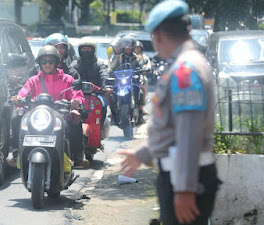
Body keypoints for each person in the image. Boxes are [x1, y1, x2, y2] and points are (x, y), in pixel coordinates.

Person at [118, 1, 221, 225]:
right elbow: (175, 130)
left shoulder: (185, 70)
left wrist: (184, 190)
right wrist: (143, 154)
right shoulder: (184, 65)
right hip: (182, 176)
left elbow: (188, 134)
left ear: (157, 35)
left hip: (186, 180)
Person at [11, 45, 89, 167]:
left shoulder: (68, 79)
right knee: (17, 119)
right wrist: (18, 98)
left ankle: (76, 156)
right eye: (44, 61)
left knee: (75, 120)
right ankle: (17, 154)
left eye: (51, 61)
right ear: (40, 63)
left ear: (57, 63)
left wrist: (75, 102)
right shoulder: (33, 80)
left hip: (61, 117)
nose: (47, 64)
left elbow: (78, 95)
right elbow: (23, 93)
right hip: (37, 118)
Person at [71, 37, 111, 128]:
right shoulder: (74, 64)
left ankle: (100, 128)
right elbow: (70, 76)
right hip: (78, 94)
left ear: (93, 50)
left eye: (88, 49)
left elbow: (104, 75)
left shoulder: (99, 64)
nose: (86, 51)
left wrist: (106, 86)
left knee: (103, 105)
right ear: (79, 50)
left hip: (96, 93)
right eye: (83, 49)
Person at [133, 40, 151, 116]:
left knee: (142, 89)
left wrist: (144, 69)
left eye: (139, 48)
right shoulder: (130, 56)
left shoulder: (145, 58)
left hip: (139, 77)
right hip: (129, 77)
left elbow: (148, 66)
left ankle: (141, 109)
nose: (137, 49)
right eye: (136, 48)